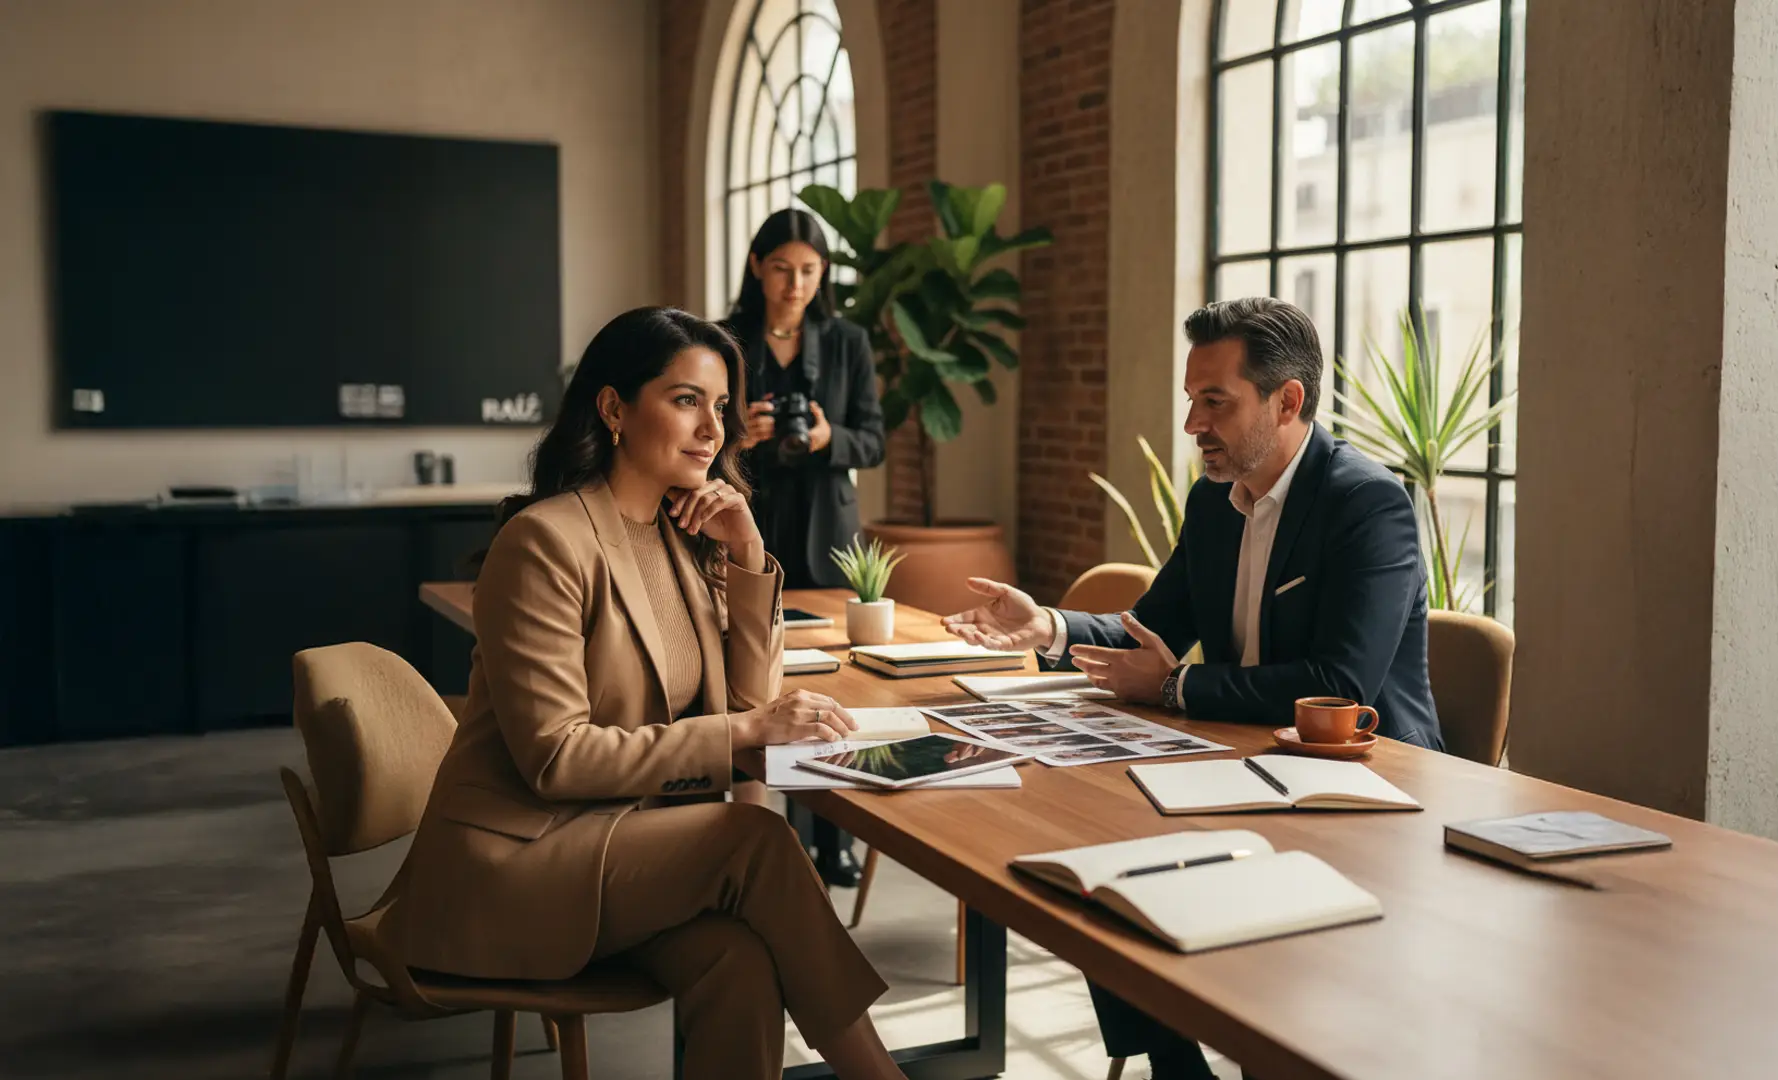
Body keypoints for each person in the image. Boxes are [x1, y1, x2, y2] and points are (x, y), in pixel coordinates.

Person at [386, 307, 908, 1080]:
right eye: (686, 400)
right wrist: (747, 730)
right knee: (755, 842)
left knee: (736, 961)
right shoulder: (544, 542)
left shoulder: (682, 538)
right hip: (519, 860)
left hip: (626, 850)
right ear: (614, 408)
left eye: (722, 407)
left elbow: (745, 704)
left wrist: (748, 552)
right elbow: (556, 761)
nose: (713, 430)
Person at [943, 296, 1442, 1080]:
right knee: (1089, 864)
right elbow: (1153, 629)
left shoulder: (1365, 503)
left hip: (1362, 793)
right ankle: (1179, 1070)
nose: (1193, 425)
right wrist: (1049, 626)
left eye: (1216, 402)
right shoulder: (1215, 501)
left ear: (1288, 401)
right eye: (1191, 400)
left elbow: (1340, 684)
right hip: (1245, 769)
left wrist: (1176, 690)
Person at [725, 207, 886, 888]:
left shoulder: (846, 340)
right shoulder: (725, 339)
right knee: (757, 679)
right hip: (751, 524)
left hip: (826, 529)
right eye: (783, 268)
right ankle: (772, 832)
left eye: (810, 271)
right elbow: (699, 436)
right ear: (758, 266)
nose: (795, 283)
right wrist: (744, 435)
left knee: (830, 685)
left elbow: (873, 439)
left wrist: (827, 440)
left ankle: (834, 837)